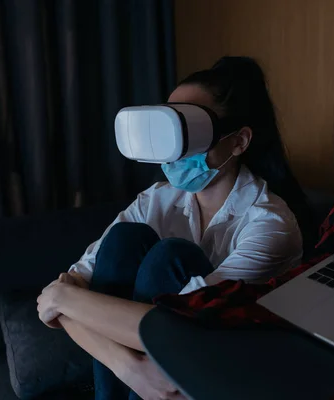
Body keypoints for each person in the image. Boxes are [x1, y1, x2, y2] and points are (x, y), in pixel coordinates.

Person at [37, 56, 310, 400]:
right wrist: (130, 369)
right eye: (171, 128)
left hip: (233, 370)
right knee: (126, 239)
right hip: (153, 381)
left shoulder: (271, 225)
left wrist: (64, 299)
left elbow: (180, 329)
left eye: (191, 131)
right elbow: (73, 287)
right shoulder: (157, 200)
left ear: (239, 141)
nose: (176, 149)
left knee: (170, 256)